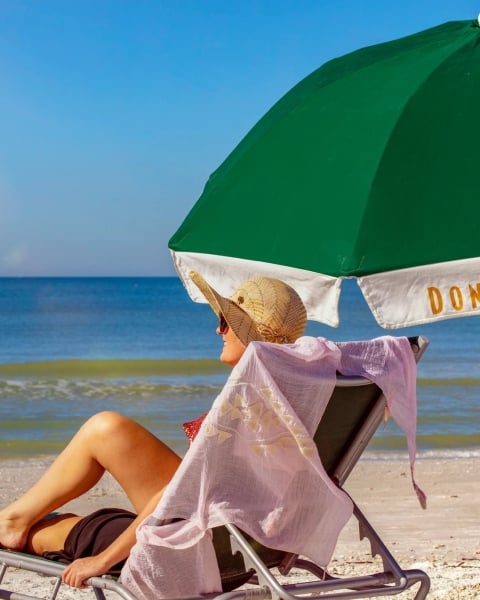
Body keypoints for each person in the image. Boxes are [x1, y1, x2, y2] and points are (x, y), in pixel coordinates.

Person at [0, 271, 307, 589]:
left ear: (250, 334)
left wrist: (102, 561)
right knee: (107, 428)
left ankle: (11, 524)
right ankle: (13, 521)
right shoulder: (297, 392)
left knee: (49, 531)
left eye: (226, 322)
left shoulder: (247, 401)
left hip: (196, 549)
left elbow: (181, 490)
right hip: (239, 537)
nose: (218, 329)